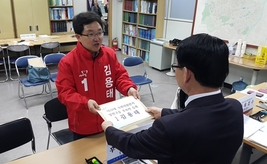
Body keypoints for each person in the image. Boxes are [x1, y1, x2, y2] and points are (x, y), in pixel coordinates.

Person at [101, 33, 244, 164]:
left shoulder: (169, 128)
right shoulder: (235, 107)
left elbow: (131, 144)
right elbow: (197, 116)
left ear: (186, 73)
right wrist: (164, 112)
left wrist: (109, 129)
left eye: (176, 66)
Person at [55, 11, 140, 141]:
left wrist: (129, 88)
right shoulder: (68, 62)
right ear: (78, 36)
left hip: (108, 120)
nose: (97, 38)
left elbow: (119, 76)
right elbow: (65, 93)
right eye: (90, 34)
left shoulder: (109, 54)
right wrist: (85, 102)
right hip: (83, 126)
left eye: (99, 33)